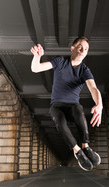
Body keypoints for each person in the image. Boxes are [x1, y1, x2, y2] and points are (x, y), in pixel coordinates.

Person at [30, 36, 103, 171]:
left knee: (78, 108)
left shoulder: (84, 70)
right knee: (59, 121)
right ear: (72, 48)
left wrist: (99, 104)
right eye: (80, 46)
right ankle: (77, 151)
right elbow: (36, 68)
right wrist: (37, 56)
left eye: (86, 49)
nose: (83, 50)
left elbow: (93, 88)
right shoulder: (60, 61)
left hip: (72, 106)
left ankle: (85, 147)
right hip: (57, 105)